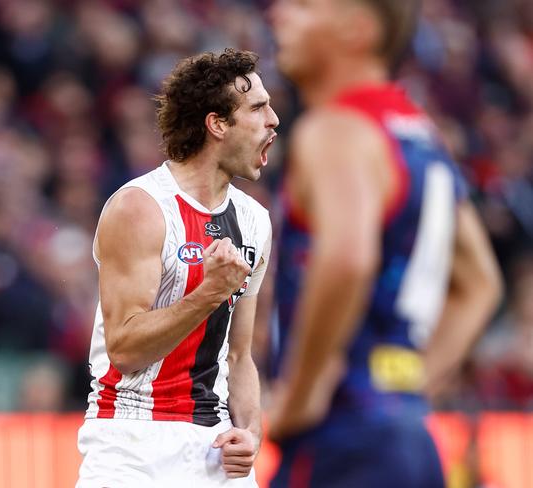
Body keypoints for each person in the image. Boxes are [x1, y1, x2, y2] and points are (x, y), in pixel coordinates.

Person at [268, 0, 503, 486]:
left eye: (305, 6)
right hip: (409, 436)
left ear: (358, 29)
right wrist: (408, 388)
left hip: (342, 436)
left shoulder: (334, 130)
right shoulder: (418, 136)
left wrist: (302, 389)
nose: (279, 14)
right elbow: (480, 283)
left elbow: (348, 258)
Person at [76, 48, 278, 487]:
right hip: (132, 442)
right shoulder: (141, 207)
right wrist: (209, 293)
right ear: (217, 124)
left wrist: (251, 432)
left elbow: (240, 354)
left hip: (215, 447)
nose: (274, 120)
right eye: (259, 107)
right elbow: (125, 349)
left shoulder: (254, 221)